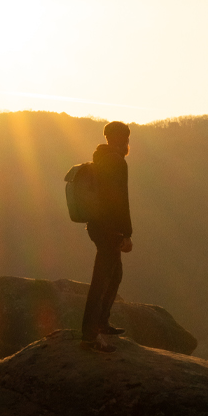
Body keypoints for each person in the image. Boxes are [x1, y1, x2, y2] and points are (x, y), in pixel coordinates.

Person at [81, 121, 133, 352]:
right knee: (102, 281)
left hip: (97, 225)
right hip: (108, 227)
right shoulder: (116, 161)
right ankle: (90, 335)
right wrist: (126, 234)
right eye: (127, 137)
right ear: (122, 139)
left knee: (114, 275)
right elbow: (120, 200)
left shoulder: (100, 158)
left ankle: (101, 323)